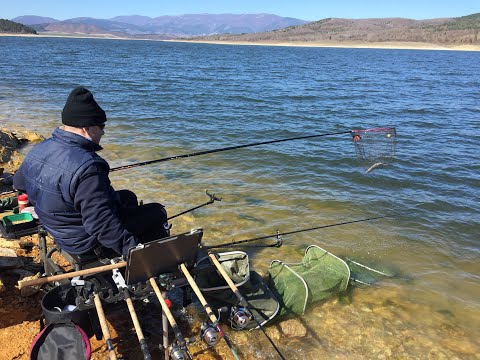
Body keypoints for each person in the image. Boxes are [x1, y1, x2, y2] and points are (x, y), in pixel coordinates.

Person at [13, 86, 170, 259]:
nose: (103, 131)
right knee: (157, 212)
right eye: (101, 126)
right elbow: (101, 225)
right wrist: (134, 251)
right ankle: (157, 265)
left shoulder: (41, 147)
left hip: (59, 227)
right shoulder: (89, 166)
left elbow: (19, 183)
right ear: (87, 128)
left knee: (128, 197)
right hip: (83, 242)